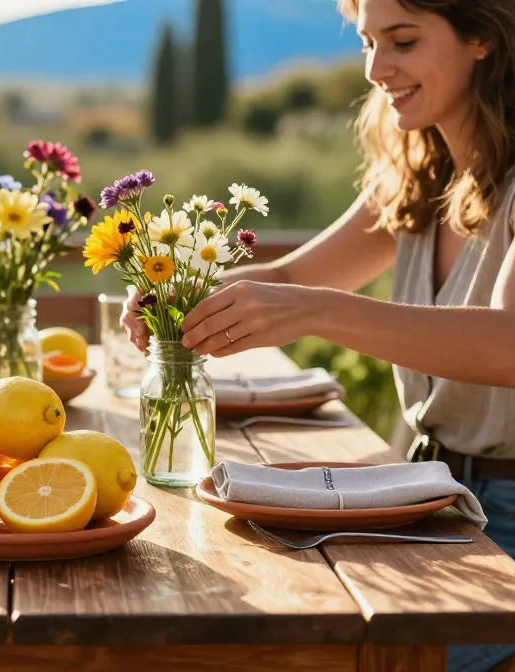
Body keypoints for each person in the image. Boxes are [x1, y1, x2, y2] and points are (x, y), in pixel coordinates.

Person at [122, 1, 515, 670]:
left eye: (402, 41)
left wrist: (317, 312)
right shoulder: (419, 177)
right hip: (428, 499)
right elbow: (295, 273)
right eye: (367, 42)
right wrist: (184, 290)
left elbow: (507, 345)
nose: (375, 67)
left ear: (482, 35)